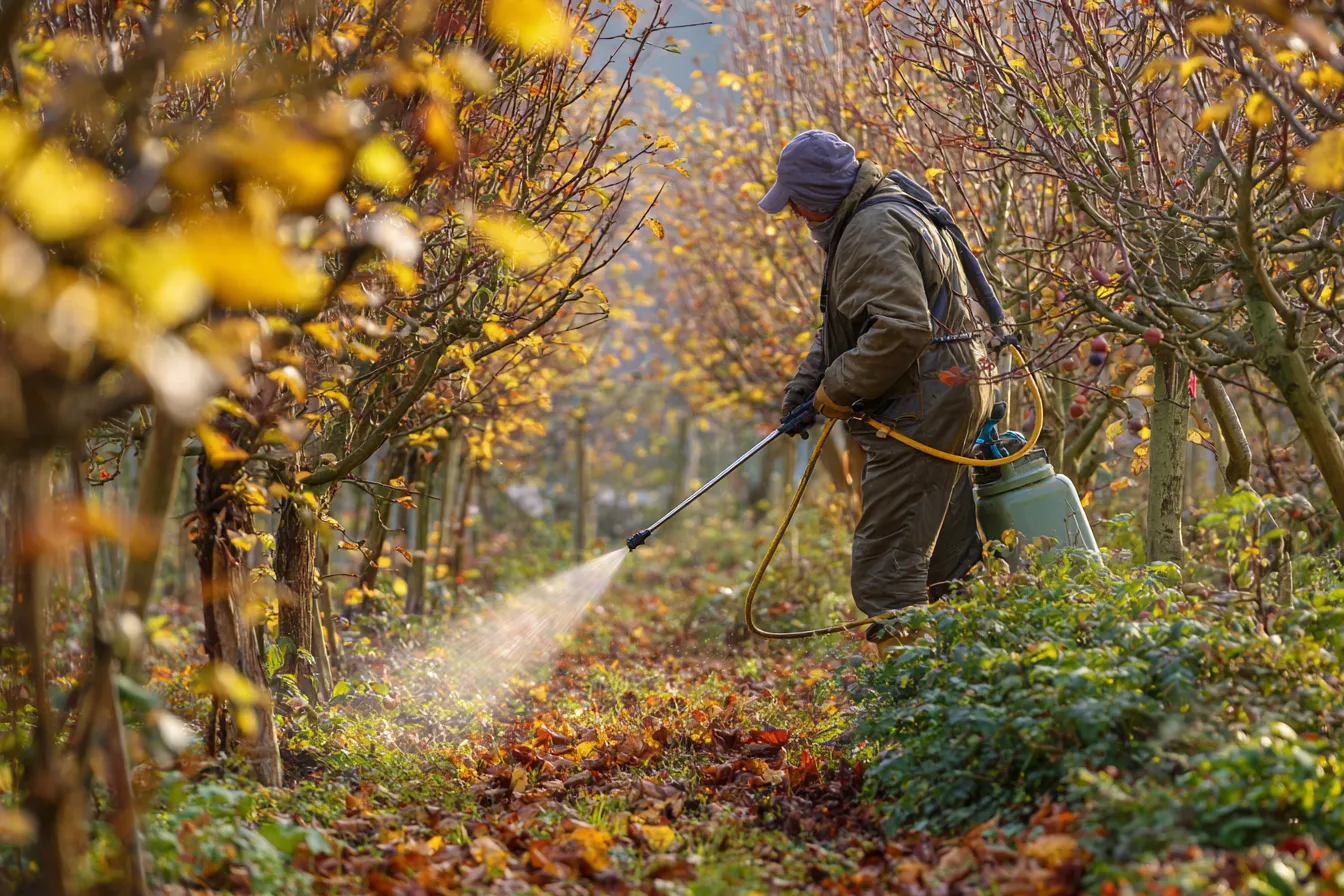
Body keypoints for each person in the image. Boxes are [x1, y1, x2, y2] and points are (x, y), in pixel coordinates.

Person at [759, 129, 995, 657]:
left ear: (819, 197)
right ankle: (974, 686)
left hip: (921, 406)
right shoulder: (887, 211)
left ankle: (912, 707)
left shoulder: (871, 228)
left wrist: (838, 389)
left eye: (796, 204)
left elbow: (900, 330)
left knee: (887, 569)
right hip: (947, 393)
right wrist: (806, 387)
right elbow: (851, 323)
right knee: (946, 563)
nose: (794, 215)